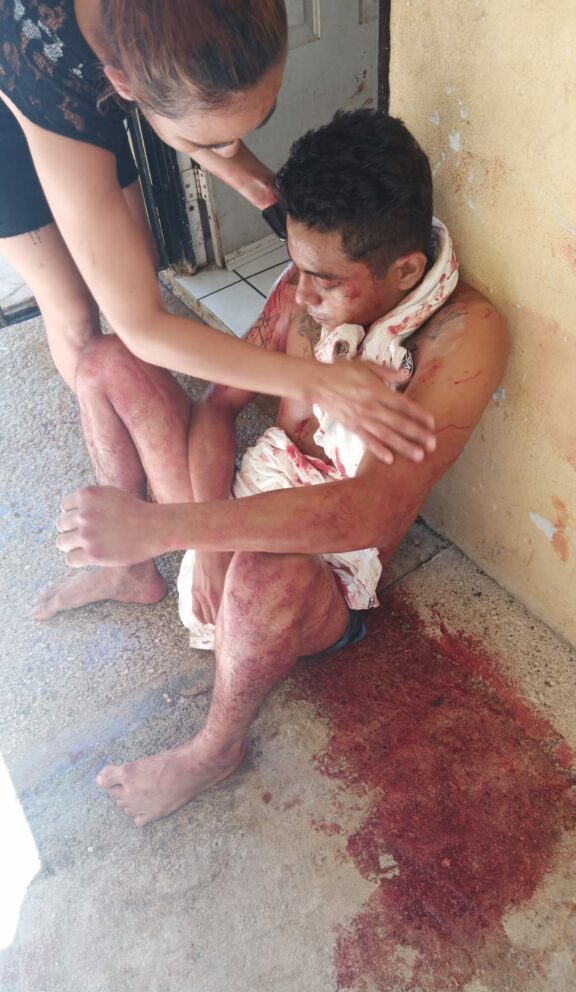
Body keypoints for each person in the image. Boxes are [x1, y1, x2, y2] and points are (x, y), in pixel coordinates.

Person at [52, 110, 509, 826]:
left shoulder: (463, 335)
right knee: (106, 360)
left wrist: (169, 527)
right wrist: (202, 548)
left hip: (320, 573)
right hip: (233, 507)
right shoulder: (306, 284)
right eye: (296, 268)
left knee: (266, 574)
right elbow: (216, 407)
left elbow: (373, 511)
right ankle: (132, 573)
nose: (299, 294)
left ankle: (215, 750)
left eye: (324, 281)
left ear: (406, 272)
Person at [0, 0, 436, 463]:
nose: (229, 152)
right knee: (76, 311)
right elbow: (142, 326)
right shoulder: (51, 84)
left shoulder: (191, 29)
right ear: (125, 84)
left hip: (115, 79)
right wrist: (316, 381)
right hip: (23, 98)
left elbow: (191, 113)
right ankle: (131, 472)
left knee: (140, 264)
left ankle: (152, 419)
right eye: (210, 142)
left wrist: (263, 188)